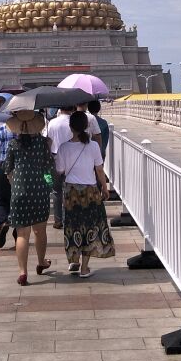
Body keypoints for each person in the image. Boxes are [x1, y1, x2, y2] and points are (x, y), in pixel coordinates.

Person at [55, 110, 114, 278]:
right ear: (87, 126)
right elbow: (99, 169)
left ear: (70, 127)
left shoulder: (64, 147)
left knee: (72, 226)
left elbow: (59, 171)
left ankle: (74, 260)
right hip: (90, 191)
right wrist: (104, 187)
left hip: (71, 192)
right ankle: (85, 268)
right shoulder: (93, 146)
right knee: (89, 226)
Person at [1, 111, 53, 285]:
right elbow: (48, 169)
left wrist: (14, 184)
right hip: (39, 191)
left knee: (23, 234)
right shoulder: (43, 144)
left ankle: (23, 272)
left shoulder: (14, 144)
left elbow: (7, 169)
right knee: (40, 231)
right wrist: (48, 184)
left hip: (19, 191)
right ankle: (41, 262)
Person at [46, 102, 101, 229]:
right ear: (72, 108)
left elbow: (48, 141)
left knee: (56, 191)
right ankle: (68, 218)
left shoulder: (53, 123)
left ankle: (58, 219)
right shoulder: (76, 120)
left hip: (56, 157)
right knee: (70, 192)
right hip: (74, 159)